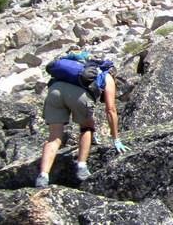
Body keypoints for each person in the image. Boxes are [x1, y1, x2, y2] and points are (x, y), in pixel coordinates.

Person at [35, 55, 130, 188]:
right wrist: (116, 138)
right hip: (78, 96)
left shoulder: (80, 66)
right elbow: (111, 109)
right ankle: (81, 167)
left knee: (54, 138)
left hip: (54, 91)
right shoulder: (106, 76)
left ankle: (43, 176)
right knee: (87, 128)